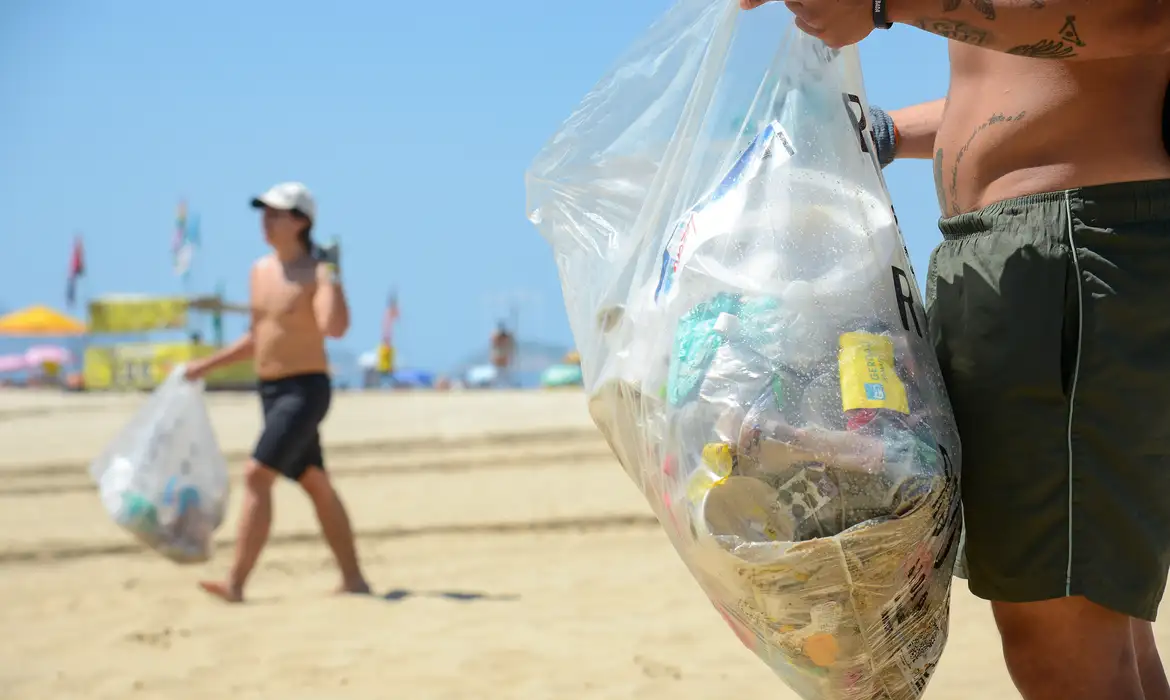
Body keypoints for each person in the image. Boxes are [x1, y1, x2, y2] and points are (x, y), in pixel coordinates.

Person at [739, 1, 1170, 699]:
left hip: (1068, 249)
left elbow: (1138, 19)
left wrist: (886, 4)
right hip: (1030, 251)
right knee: (1093, 618)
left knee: (1058, 628)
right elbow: (1035, 81)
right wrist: (885, 133)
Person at [185, 181, 370, 603]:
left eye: (275, 214)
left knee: (257, 474)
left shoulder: (317, 272)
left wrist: (333, 275)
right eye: (263, 214)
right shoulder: (259, 271)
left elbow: (333, 327)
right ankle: (354, 579)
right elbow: (259, 337)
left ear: (301, 222)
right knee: (315, 482)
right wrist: (204, 367)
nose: (265, 222)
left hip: (305, 390)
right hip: (269, 390)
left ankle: (235, 583)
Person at [490, 321, 516, 388]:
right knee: (496, 375)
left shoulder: (507, 337)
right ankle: (494, 386)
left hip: (504, 360)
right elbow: (494, 340)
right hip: (498, 359)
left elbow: (511, 344)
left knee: (505, 376)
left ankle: (506, 386)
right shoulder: (495, 336)